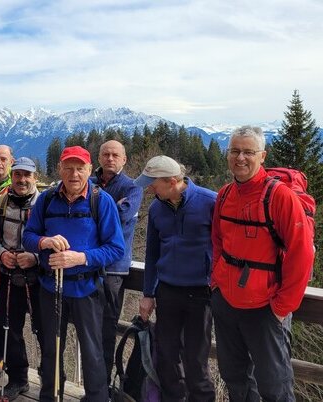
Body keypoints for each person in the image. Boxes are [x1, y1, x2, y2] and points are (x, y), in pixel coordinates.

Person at [211, 126, 314, 402]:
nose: (240, 158)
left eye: (248, 152)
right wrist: (216, 285)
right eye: (234, 151)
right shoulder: (225, 194)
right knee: (234, 378)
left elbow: (302, 253)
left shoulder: (279, 197)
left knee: (274, 387)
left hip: (264, 307)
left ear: (263, 156)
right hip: (227, 302)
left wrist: (282, 307)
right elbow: (218, 241)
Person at [22, 145, 124, 402]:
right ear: (60, 169)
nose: (74, 174)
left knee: (92, 352)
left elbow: (116, 248)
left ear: (89, 170)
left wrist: (81, 258)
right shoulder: (46, 199)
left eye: (80, 168)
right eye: (68, 167)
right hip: (50, 287)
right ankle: (51, 396)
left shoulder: (101, 201)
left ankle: (97, 398)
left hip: (86, 288)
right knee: (51, 351)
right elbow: (28, 237)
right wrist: (44, 242)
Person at [135, 155, 217, 402]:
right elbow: (152, 254)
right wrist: (148, 293)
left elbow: (225, 246)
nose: (149, 188)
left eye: (153, 183)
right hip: (167, 292)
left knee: (196, 361)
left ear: (172, 181)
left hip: (202, 293)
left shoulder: (210, 202)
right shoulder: (156, 208)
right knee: (167, 357)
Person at [0, 157, 43, 400]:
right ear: (12, 176)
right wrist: (2, 255)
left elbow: (55, 239)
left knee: (44, 330)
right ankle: (18, 379)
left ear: (35, 177)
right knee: (10, 330)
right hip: (9, 276)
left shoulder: (45, 203)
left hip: (40, 278)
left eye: (27, 175)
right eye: (18, 175)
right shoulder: (0, 203)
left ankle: (51, 379)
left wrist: (34, 257)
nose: (22, 180)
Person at [91, 140, 143, 386]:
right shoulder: (89, 182)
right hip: (87, 265)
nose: (110, 158)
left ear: (124, 159)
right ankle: (92, 385)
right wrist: (110, 206)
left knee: (106, 328)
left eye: (115, 155)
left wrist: (92, 209)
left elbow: (119, 219)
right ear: (99, 158)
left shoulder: (132, 188)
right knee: (86, 327)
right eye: (105, 154)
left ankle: (102, 389)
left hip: (113, 268)